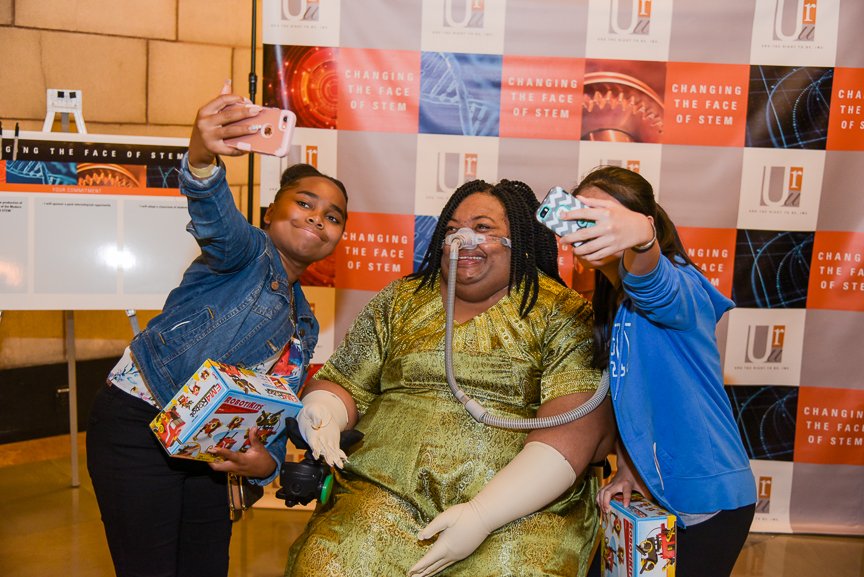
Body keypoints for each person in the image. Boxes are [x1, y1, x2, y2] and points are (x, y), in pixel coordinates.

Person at [283, 178, 615, 577]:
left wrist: (483, 514)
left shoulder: (561, 312)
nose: (463, 239)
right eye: (452, 228)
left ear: (522, 241)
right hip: (384, 494)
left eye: (483, 228)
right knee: (331, 562)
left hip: (518, 511)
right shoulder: (400, 300)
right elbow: (345, 381)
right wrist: (324, 412)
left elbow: (573, 428)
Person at [86, 83, 348, 577]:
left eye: (333, 217)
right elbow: (213, 213)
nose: (318, 218)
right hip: (139, 423)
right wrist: (203, 156)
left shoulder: (304, 324)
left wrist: (267, 464)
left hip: (209, 452)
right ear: (270, 213)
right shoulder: (244, 251)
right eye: (305, 203)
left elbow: (272, 404)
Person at [559, 166, 756, 577]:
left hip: (705, 501)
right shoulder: (612, 306)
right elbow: (636, 405)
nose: (588, 226)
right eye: (580, 216)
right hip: (654, 501)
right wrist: (629, 472)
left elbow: (654, 282)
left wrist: (643, 238)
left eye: (602, 215)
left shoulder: (680, 282)